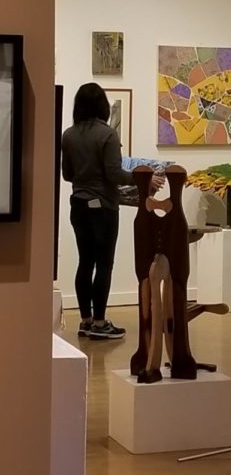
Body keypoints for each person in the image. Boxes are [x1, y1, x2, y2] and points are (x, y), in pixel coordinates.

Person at [62, 83, 163, 340]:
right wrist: (144, 179)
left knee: (85, 262)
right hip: (103, 208)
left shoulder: (69, 135)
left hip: (78, 205)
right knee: (104, 264)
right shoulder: (108, 135)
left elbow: (67, 174)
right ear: (102, 106)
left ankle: (85, 320)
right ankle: (99, 322)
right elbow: (115, 175)